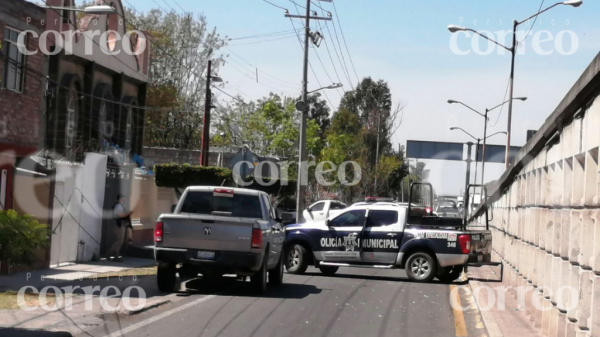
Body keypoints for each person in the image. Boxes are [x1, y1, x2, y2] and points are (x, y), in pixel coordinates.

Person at [106, 194, 134, 261]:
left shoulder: (119, 205)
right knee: (120, 240)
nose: (125, 200)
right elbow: (121, 215)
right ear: (121, 199)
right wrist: (129, 213)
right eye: (124, 198)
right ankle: (109, 254)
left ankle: (115, 255)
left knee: (119, 240)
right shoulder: (118, 206)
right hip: (118, 225)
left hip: (119, 224)